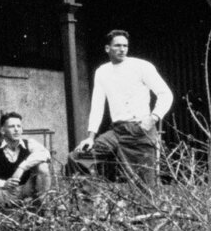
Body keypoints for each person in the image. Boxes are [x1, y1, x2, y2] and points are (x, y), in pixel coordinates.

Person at [71, 29, 174, 186]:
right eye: (117, 45)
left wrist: (153, 118)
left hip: (140, 131)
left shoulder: (142, 66)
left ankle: (149, 209)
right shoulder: (102, 72)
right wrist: (91, 137)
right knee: (79, 158)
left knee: (145, 186)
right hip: (117, 131)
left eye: (125, 46)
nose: (122, 49)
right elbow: (97, 105)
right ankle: (87, 206)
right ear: (107, 48)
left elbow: (165, 94)